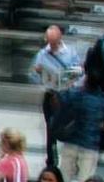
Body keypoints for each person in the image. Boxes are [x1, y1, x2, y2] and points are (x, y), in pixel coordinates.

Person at [52, 72, 104, 182]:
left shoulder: (74, 94)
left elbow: (57, 99)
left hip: (71, 140)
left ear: (85, 81)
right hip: (90, 144)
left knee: (64, 177)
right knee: (85, 181)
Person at [34, 25, 82, 166]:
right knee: (50, 127)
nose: (52, 45)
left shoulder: (70, 52)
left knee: (70, 126)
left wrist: (67, 77)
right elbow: (36, 72)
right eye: (49, 41)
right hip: (50, 94)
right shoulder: (43, 53)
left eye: (54, 41)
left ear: (60, 38)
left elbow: (79, 71)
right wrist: (39, 72)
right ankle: (52, 159)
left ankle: (74, 159)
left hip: (67, 94)